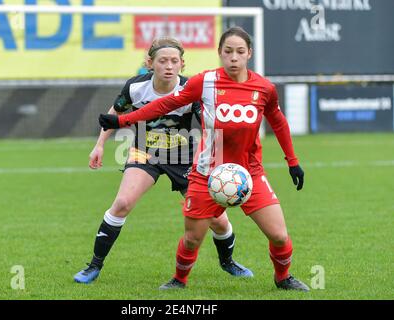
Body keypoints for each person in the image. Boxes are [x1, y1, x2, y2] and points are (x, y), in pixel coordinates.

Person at [99, 27, 310, 291]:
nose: (234, 57)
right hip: (207, 172)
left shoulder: (264, 88)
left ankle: (283, 278)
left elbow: (278, 122)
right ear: (220, 53)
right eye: (228, 51)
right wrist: (122, 120)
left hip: (250, 173)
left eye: (240, 52)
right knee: (192, 239)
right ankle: (179, 280)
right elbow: (165, 104)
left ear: (249, 54)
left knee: (279, 235)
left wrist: (292, 161)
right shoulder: (205, 82)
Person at [74, 36, 253, 284]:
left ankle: (228, 262)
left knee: (217, 220)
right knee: (123, 202)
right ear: (150, 63)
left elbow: (210, 126)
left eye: (174, 61)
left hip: (184, 157)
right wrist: (100, 144)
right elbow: (115, 112)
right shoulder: (136, 87)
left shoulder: (191, 89)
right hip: (144, 152)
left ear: (182, 64)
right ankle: (93, 266)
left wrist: (220, 158)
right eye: (163, 61)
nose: (169, 66)